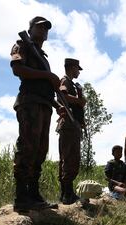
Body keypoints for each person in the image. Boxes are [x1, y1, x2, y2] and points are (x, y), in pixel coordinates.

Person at [10, 16, 61, 211]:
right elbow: (18, 69)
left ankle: (33, 194)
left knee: (40, 151)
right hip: (29, 103)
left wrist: (57, 107)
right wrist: (48, 75)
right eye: (39, 27)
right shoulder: (21, 45)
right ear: (30, 29)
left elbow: (45, 88)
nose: (44, 31)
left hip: (44, 105)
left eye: (46, 29)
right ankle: (21, 196)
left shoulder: (43, 57)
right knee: (28, 148)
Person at [57, 58, 86, 205]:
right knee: (68, 159)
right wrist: (79, 101)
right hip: (68, 125)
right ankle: (66, 193)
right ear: (71, 67)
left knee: (73, 159)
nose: (78, 72)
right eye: (77, 69)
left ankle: (68, 192)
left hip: (73, 126)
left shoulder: (72, 83)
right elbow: (62, 96)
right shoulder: (65, 81)